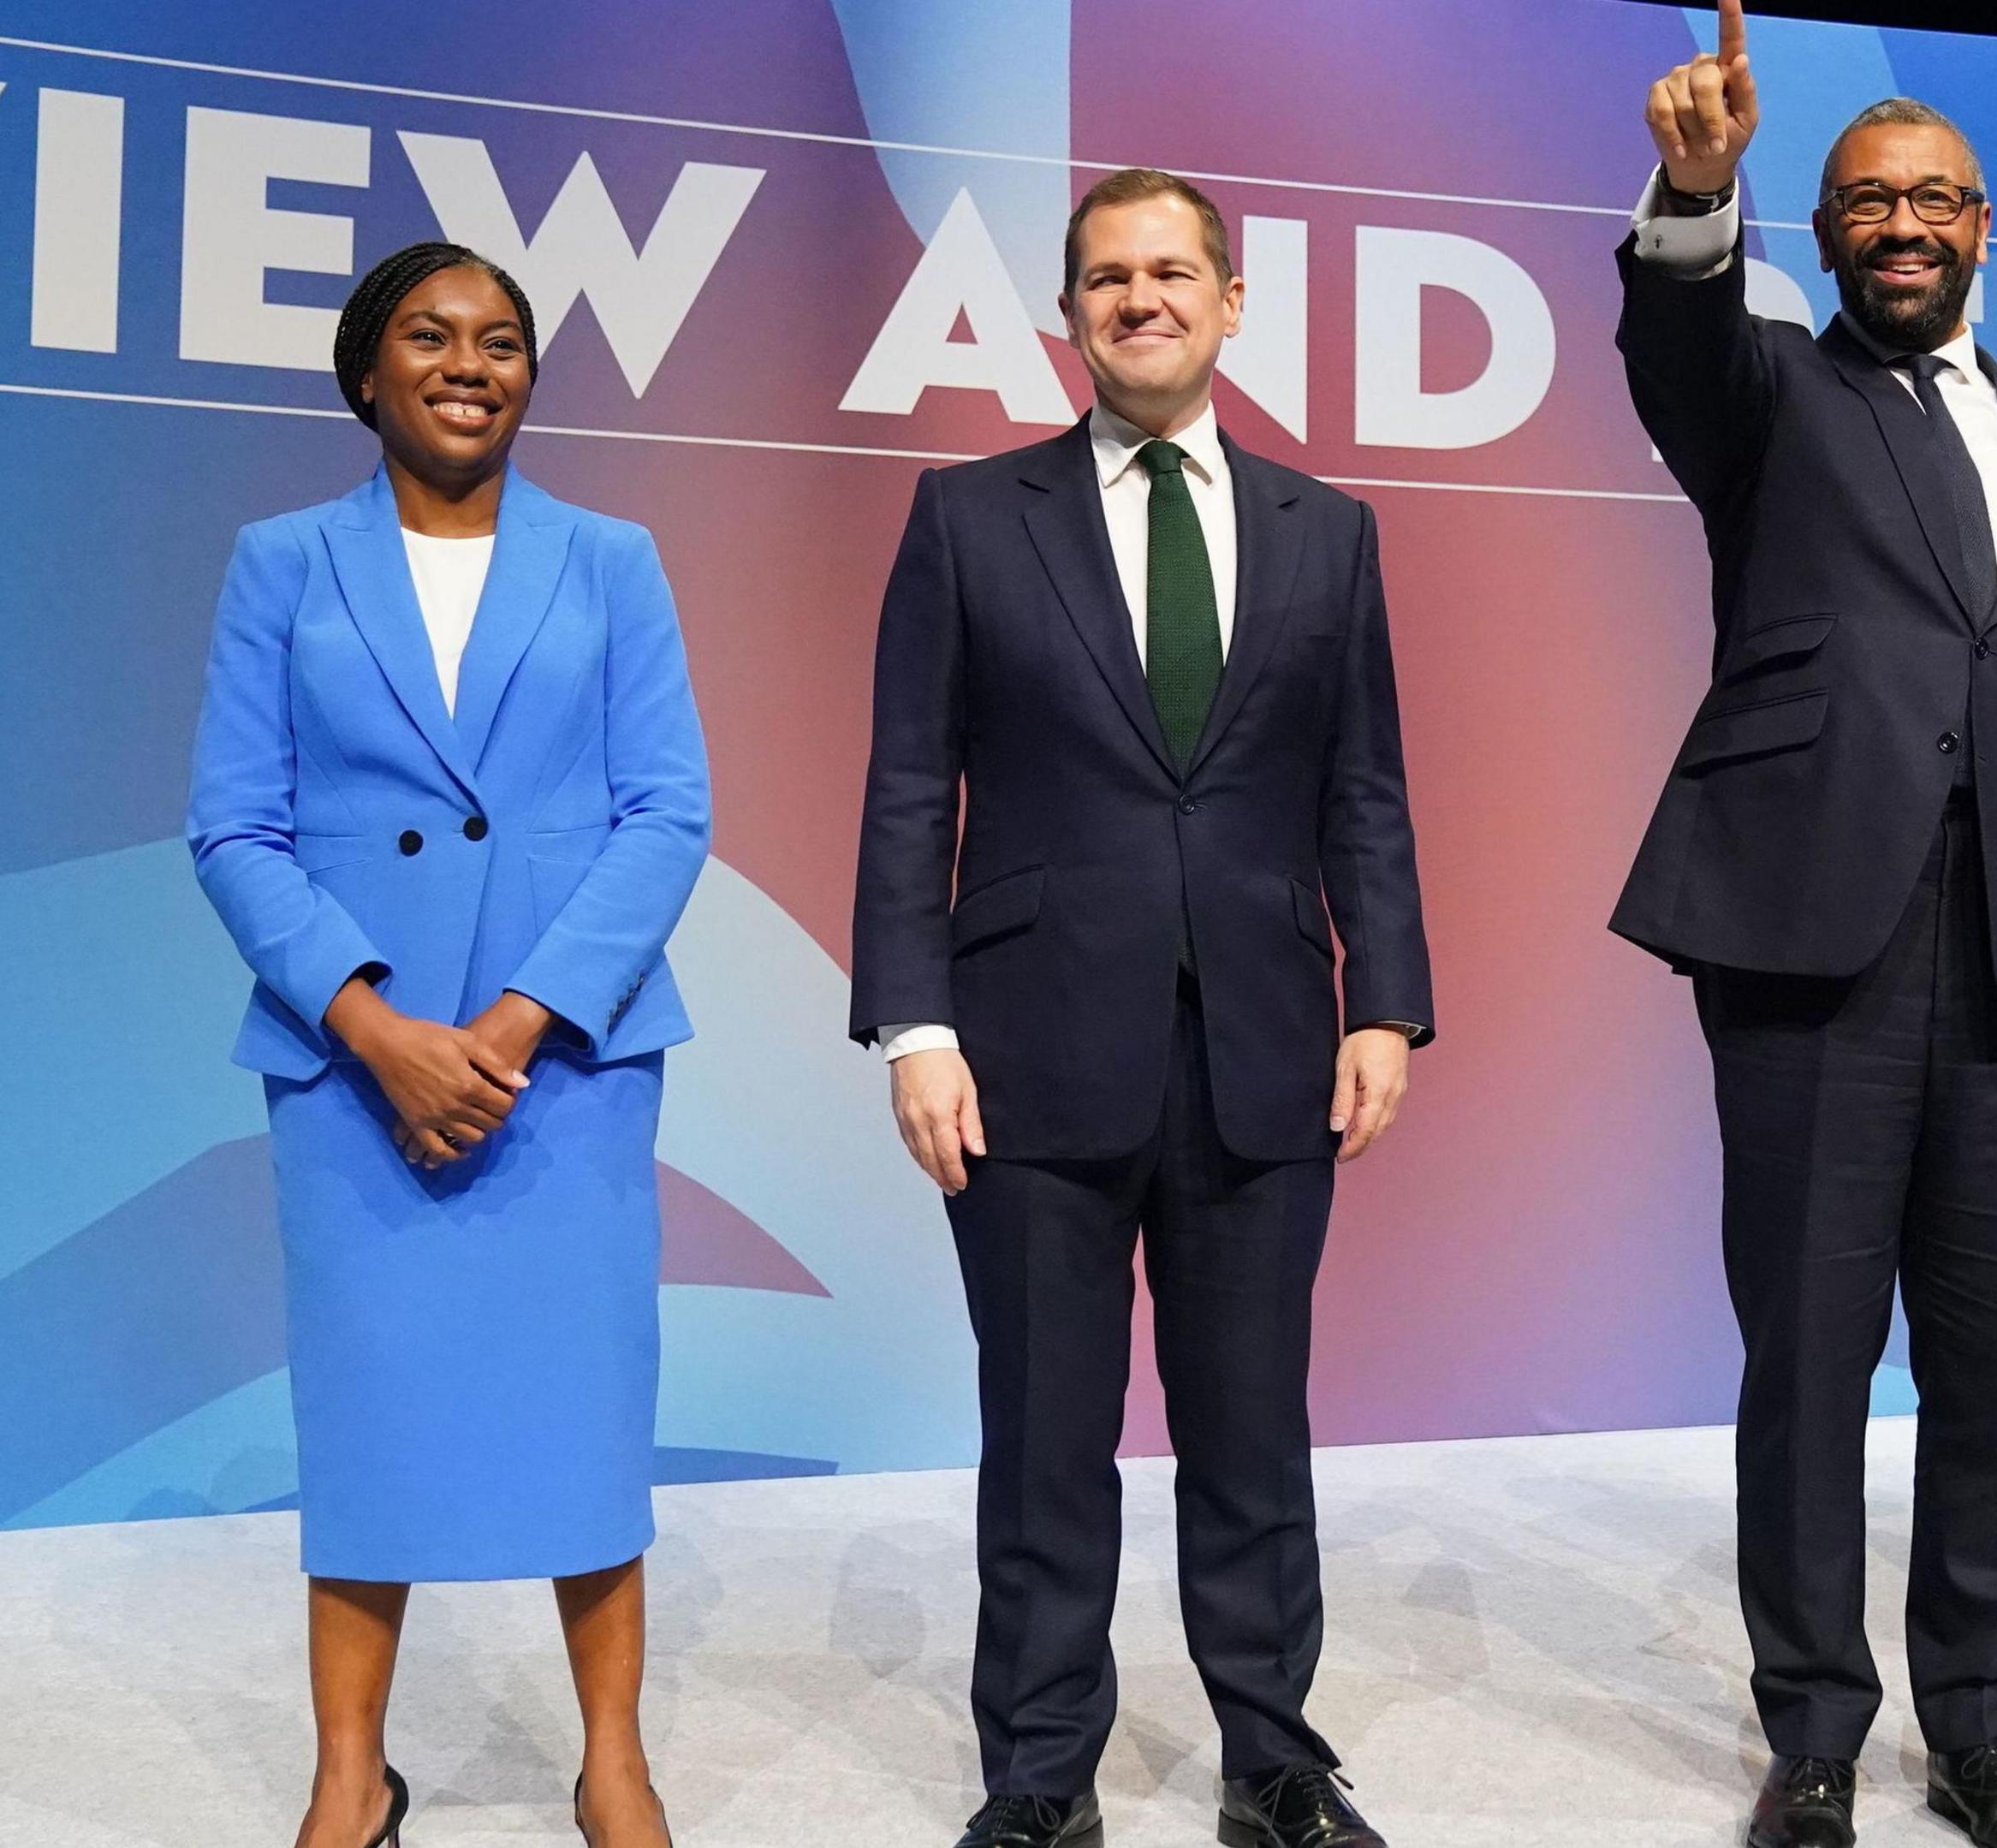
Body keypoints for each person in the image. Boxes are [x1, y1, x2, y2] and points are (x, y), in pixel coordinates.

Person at [1620, 8, 1997, 1844]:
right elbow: (1681, 340)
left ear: (1986, 224)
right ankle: (1819, 1735)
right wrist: (1704, 195)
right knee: (1809, 1358)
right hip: (1807, 943)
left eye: (1935, 198)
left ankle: (1982, 1728)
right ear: (1832, 228)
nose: (1905, 225)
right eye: (1868, 201)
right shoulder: (1776, 394)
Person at [849, 168, 1431, 1848]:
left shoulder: (1333, 532)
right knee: (1046, 1443)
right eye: (1107, 276)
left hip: (1264, 1045)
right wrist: (916, 1023)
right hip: (1024, 1050)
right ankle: (1040, 1780)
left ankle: (1274, 1764)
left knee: (1251, 1436)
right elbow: (908, 787)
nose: (1140, 299)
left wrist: (1383, 999)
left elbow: (1366, 791)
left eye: (1172, 272)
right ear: (1072, 310)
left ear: (1231, 299)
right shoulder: (969, 516)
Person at [186, 241, 711, 1848]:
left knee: (585, 1401)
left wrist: (507, 1027)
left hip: (563, 1064)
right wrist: (376, 1029)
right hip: (353, 1070)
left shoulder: (612, 557)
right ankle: (354, 1770)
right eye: (430, 334)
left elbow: (667, 812)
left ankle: (610, 1757)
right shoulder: (280, 562)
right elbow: (232, 826)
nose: (469, 361)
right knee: (370, 1411)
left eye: (500, 340)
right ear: (368, 373)